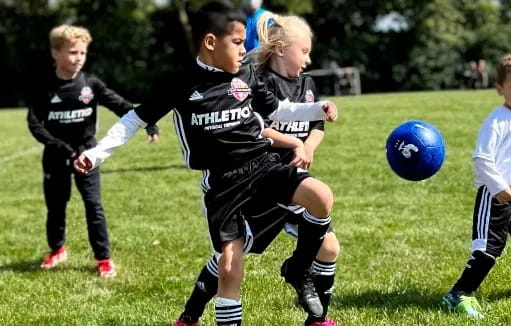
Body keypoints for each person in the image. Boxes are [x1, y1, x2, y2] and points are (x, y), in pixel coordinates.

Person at [73, 2, 338, 325]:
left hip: (264, 165)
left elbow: (279, 110)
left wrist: (317, 109)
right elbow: (133, 119)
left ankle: (298, 268)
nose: (244, 51)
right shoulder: (181, 83)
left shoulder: (246, 73)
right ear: (211, 43)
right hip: (223, 184)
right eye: (237, 43)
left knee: (321, 197)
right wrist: (95, 153)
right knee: (230, 267)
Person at [173, 14, 339, 326]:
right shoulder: (255, 80)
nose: (309, 59)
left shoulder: (306, 85)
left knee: (328, 245)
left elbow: (316, 125)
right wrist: (292, 141)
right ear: (279, 49)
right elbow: (253, 129)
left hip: (288, 180)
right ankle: (191, 313)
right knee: (230, 259)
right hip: (260, 179)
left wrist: (308, 145)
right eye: (303, 51)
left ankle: (317, 317)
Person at [27, 24, 159, 278]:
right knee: (56, 205)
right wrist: (59, 147)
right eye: (72, 52)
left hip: (88, 153)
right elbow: (34, 123)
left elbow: (119, 104)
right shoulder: (44, 86)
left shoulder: (90, 84)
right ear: (55, 53)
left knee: (93, 204)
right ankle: (57, 250)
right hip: (56, 155)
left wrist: (149, 123)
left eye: (82, 53)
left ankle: (103, 259)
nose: (78, 58)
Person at [441, 53, 511, 318]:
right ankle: (458, 294)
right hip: (496, 194)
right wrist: (498, 187)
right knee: (488, 250)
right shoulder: (497, 120)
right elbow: (482, 158)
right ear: (499, 88)